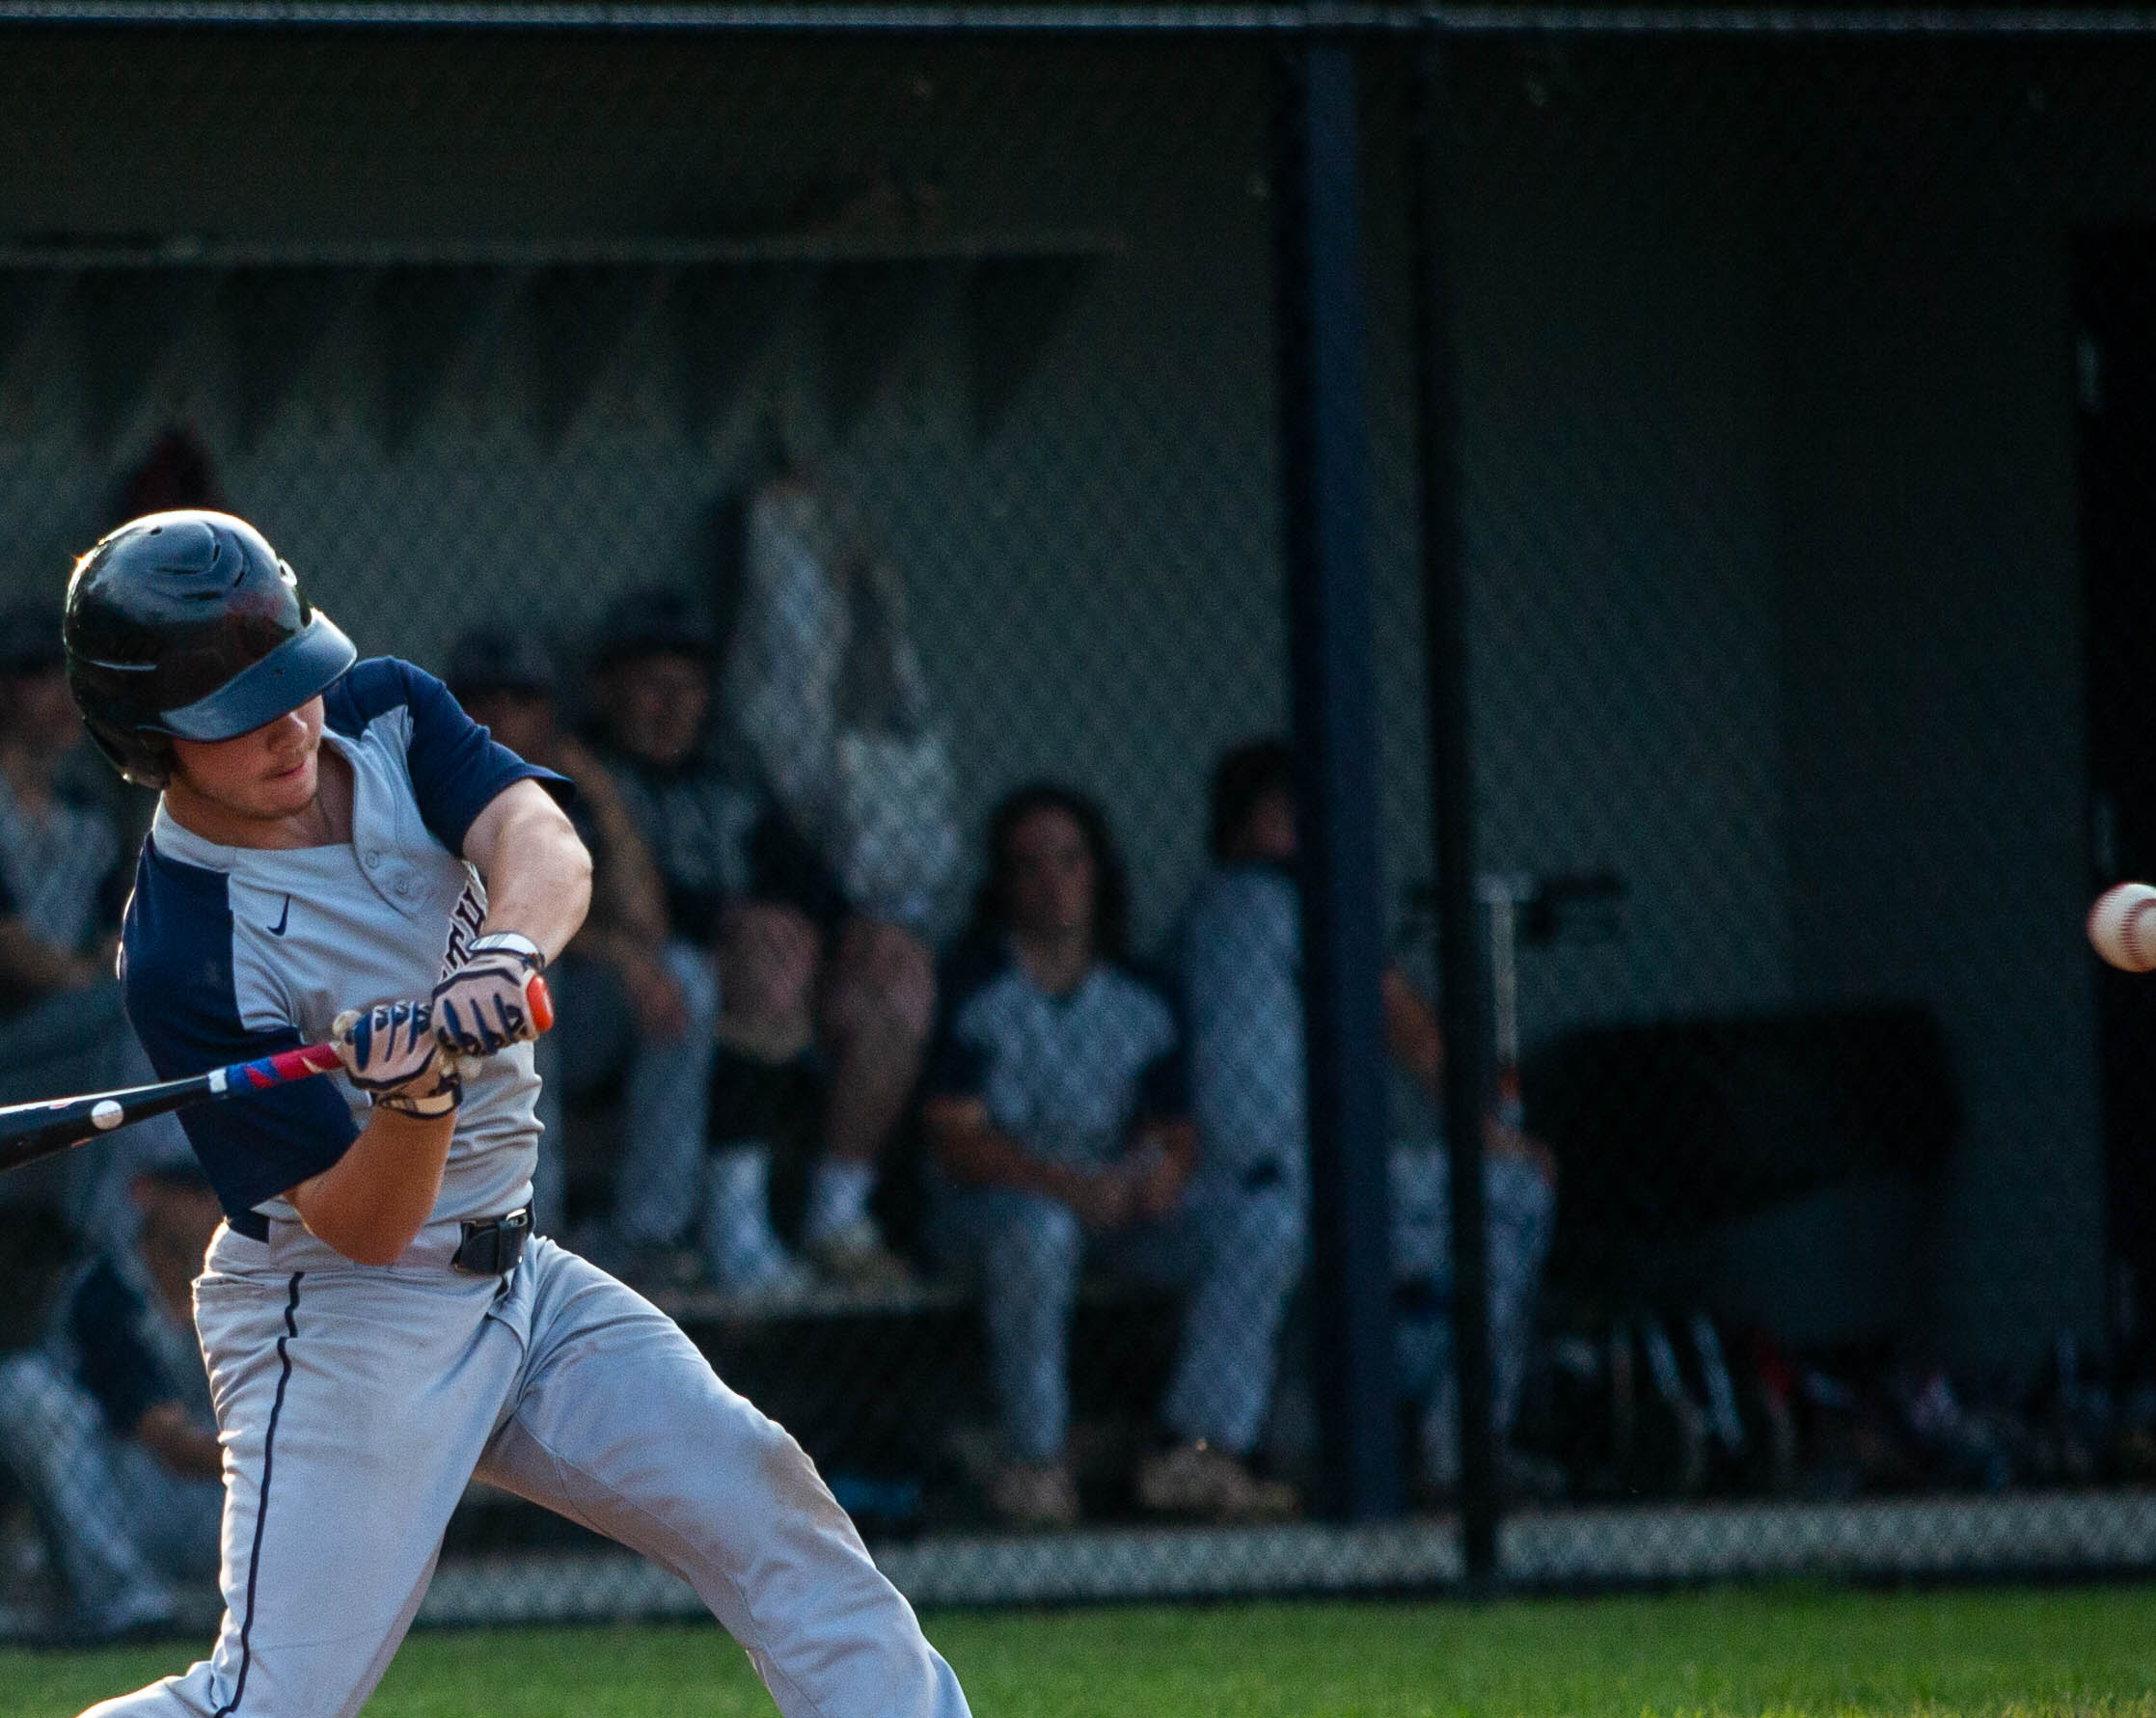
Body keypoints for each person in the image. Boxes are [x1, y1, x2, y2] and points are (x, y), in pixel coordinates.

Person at [0, 509, 1086, 1718]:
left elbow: (547, 842)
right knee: (275, 1709)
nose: (289, 726)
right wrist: (413, 1098)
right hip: (346, 1313)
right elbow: (354, 1224)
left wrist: (499, 958)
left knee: (753, 1487)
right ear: (150, 737)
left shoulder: (389, 711)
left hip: (520, 1275)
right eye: (237, 715)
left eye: (291, 682)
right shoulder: (185, 949)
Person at [1160, 738, 1558, 1513]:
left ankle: (1448, 1450)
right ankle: (1458, 1451)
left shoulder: (1231, 910)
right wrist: (1486, 1131)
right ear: (1242, 822)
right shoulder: (1253, 903)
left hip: (1305, 1189)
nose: (1302, 831)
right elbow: (1406, 1027)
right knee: (1511, 1194)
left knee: (1507, 1202)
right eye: (1281, 812)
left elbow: (1401, 1026)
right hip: (1255, 1190)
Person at [580, 586, 936, 1299]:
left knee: (894, 969)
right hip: (628, 1001)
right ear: (608, 688)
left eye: (691, 686)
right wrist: (731, 925)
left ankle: (838, 1215)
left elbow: (808, 882)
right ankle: (733, 1223)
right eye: (653, 685)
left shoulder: (730, 780)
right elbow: (593, 896)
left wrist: (852, 934)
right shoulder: (583, 777)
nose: (673, 706)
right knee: (759, 952)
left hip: (760, 986)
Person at [916, 786, 1192, 1530]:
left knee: (1258, 1221)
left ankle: (1200, 1450)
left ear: (1098, 871)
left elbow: (1178, 1128)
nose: (1054, 882)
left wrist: (1164, 1170)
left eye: (1070, 861)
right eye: (1030, 865)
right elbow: (958, 1140)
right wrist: (1071, 1189)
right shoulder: (975, 984)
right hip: (994, 1214)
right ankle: (1035, 1465)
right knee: (1040, 1231)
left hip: (1116, 1208)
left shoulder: (1144, 992)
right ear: (1002, 883)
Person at [446, 620, 714, 1278]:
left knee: (686, 975)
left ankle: (653, 1235)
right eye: (483, 697)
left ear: (553, 712)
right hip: (460, 1023)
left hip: (592, 1023)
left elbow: (648, 924)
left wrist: (598, 788)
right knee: (529, 982)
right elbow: (490, 930)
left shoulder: (573, 789)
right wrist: (614, 953)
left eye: (522, 698)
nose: (501, 714)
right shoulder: (434, 792)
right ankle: (538, 1228)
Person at [0, 1122, 230, 1637]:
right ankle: (128, 1606)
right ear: (144, 1192)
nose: (211, 1205)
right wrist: (283, 1455)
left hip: (225, 1505)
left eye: (219, 1188)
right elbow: (172, 1445)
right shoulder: (105, 1291)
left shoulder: (247, 1284)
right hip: (128, 1499)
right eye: (193, 1189)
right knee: (21, 1388)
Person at [0, 596, 138, 1106]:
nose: (60, 696)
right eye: (38, 674)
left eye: (70, 677)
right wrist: (84, 972)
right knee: (135, 1024)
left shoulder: (87, 814)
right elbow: (9, 959)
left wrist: (92, 969)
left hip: (67, 1032)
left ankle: (180, 1190)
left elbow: (120, 942)